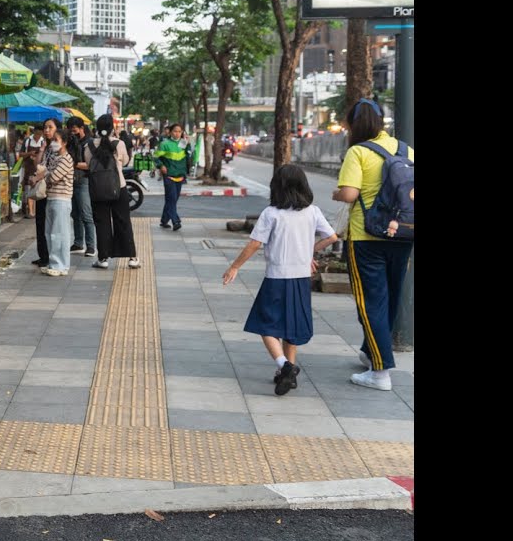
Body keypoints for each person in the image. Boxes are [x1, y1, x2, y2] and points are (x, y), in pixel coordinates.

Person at [222, 165, 339, 396]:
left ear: (277, 186)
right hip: (301, 279)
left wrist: (235, 266)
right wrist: (309, 253)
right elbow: (332, 237)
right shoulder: (313, 211)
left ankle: (285, 366)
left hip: (277, 277)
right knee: (291, 326)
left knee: (265, 323)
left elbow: (255, 244)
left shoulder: (271, 213)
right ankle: (287, 374)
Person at [332, 98, 414, 391]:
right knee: (389, 300)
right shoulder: (406, 149)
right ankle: (371, 353)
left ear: (354, 124)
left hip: (366, 238)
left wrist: (337, 193)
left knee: (370, 303)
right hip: (402, 235)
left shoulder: (358, 152)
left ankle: (380, 373)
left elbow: (350, 193)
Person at [83, 114, 139, 270]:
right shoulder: (119, 144)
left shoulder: (88, 146)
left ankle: (103, 259)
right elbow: (125, 161)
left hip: (97, 189)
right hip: (118, 188)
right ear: (112, 128)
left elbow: (88, 164)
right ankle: (132, 258)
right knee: (123, 221)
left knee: (102, 223)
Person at [41, 130, 76, 277]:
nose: (53, 142)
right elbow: (45, 170)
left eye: (56, 139)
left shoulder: (66, 159)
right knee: (50, 233)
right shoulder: (55, 157)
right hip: (52, 198)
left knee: (59, 233)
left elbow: (53, 177)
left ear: (64, 142)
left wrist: (44, 174)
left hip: (61, 199)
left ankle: (60, 265)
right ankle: (53, 262)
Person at [30, 117, 60, 268]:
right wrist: (41, 150)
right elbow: (38, 165)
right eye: (45, 128)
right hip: (43, 190)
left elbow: (51, 170)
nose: (46, 130)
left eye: (50, 127)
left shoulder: (59, 147)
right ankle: (43, 255)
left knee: (50, 225)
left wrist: (37, 177)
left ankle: (50, 256)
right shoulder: (47, 147)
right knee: (40, 222)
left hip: (54, 191)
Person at [66, 116, 97, 258]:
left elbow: (91, 165)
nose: (73, 133)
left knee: (86, 214)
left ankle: (91, 246)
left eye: (75, 130)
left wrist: (73, 164)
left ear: (82, 129)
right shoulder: (71, 142)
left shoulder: (89, 143)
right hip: (71, 181)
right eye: (71, 130)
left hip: (83, 181)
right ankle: (78, 243)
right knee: (75, 215)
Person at [156, 123, 193, 232]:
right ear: (170, 132)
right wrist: (161, 165)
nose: (177, 133)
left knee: (172, 200)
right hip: (169, 175)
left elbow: (188, 155)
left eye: (179, 131)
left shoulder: (183, 143)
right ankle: (176, 221)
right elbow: (156, 157)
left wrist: (188, 144)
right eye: (175, 131)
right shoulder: (164, 144)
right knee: (171, 199)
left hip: (180, 175)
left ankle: (164, 220)